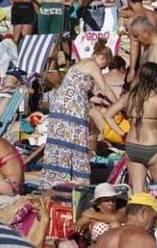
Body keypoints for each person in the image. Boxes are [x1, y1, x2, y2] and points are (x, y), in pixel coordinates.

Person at [41, 41, 116, 189]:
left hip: (63, 105)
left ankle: (58, 177)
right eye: (105, 64)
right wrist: (119, 104)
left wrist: (105, 102)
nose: (105, 69)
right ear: (102, 57)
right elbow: (105, 88)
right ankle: (76, 178)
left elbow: (92, 93)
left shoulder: (82, 63)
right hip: (71, 108)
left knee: (63, 139)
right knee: (74, 139)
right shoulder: (92, 65)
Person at [104, 62, 157, 193]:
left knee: (137, 192)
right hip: (152, 146)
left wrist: (121, 133)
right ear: (156, 78)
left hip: (132, 146)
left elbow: (108, 115)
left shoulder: (129, 97)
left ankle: (137, 211)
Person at [90, 193, 157, 248]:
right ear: (144, 212)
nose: (154, 223)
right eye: (154, 217)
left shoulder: (104, 238)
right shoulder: (145, 240)